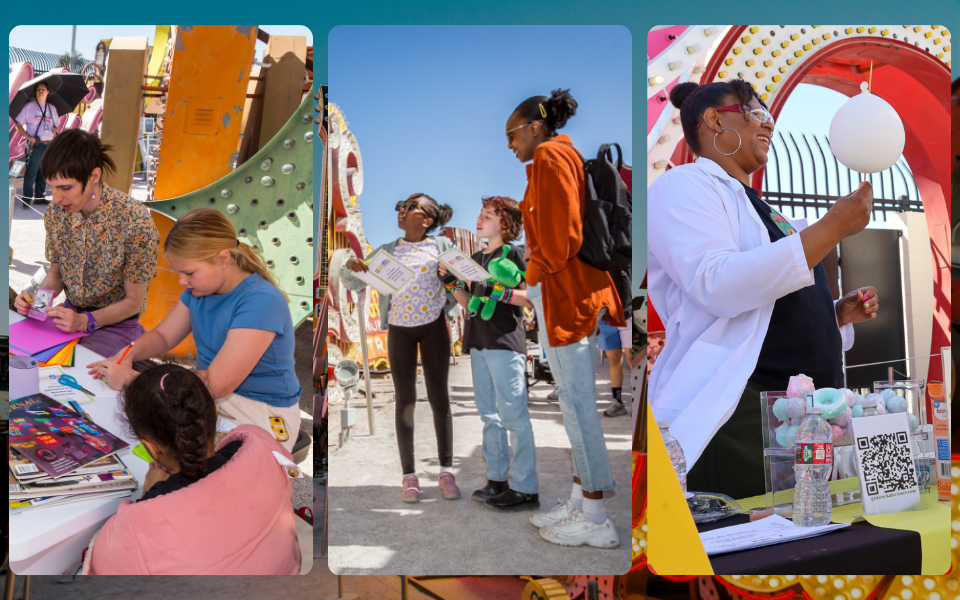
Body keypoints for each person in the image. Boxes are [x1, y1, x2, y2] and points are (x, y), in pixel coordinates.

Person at [647, 79, 880, 499]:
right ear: (715, 120)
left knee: (811, 532)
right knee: (750, 539)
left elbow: (772, 300)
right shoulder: (681, 186)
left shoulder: (760, 206)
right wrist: (832, 227)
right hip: (740, 410)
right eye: (757, 113)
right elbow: (715, 282)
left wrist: (834, 314)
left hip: (803, 414)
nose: (768, 125)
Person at [506, 89, 625, 548]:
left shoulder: (553, 157)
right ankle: (580, 499)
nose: (510, 145)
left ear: (535, 128)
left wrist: (531, 274)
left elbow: (560, 242)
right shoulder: (557, 156)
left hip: (565, 296)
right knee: (573, 405)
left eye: (512, 134)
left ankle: (596, 516)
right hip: (564, 295)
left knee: (577, 407)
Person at [87, 208, 303, 453]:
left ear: (223, 258)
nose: (181, 282)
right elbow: (163, 336)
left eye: (189, 273)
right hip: (207, 396)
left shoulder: (261, 301)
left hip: (261, 410)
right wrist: (129, 353)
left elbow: (218, 383)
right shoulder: (199, 290)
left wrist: (135, 381)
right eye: (178, 272)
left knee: (181, 458)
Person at [83, 364, 301, 575]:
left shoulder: (137, 525)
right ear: (215, 414)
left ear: (150, 448)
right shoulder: (261, 444)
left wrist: (147, 498)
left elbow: (104, 565)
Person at [341, 193, 460, 503]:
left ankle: (446, 471)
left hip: (434, 328)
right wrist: (352, 267)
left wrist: (454, 282)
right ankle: (409, 476)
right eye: (400, 207)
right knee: (405, 400)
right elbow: (353, 282)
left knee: (439, 399)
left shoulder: (442, 247)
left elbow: (462, 283)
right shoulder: (387, 251)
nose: (401, 212)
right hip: (399, 332)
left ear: (428, 220)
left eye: (409, 208)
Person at [13, 129, 159, 358]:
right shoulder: (56, 213)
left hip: (116, 325)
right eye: (52, 187)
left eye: (66, 187)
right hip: (68, 317)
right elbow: (57, 273)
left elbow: (133, 302)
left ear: (94, 176)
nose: (57, 198)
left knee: (78, 374)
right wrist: (36, 306)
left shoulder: (134, 220)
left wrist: (85, 321)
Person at [442, 196, 539, 511]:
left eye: (488, 215)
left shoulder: (514, 252)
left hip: (504, 341)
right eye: (480, 214)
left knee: (513, 416)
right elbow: (466, 300)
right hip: (478, 341)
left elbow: (530, 298)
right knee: (489, 416)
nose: (480, 220)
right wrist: (450, 283)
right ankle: (497, 479)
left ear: (505, 223)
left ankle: (525, 488)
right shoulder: (473, 258)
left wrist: (496, 291)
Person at [13, 81, 60, 203]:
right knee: (31, 174)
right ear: (36, 92)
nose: (41, 91)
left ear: (48, 91)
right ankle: (27, 199)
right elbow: (18, 125)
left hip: (48, 145)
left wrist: (55, 129)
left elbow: (56, 126)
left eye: (43, 88)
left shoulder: (52, 108)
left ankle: (40, 197)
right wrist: (28, 137)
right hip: (35, 145)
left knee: (43, 173)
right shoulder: (29, 106)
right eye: (38, 89)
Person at [599, 319, 633, 418]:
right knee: (613, 359)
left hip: (628, 315)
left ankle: (640, 404)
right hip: (605, 318)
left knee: (632, 358)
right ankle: (617, 401)